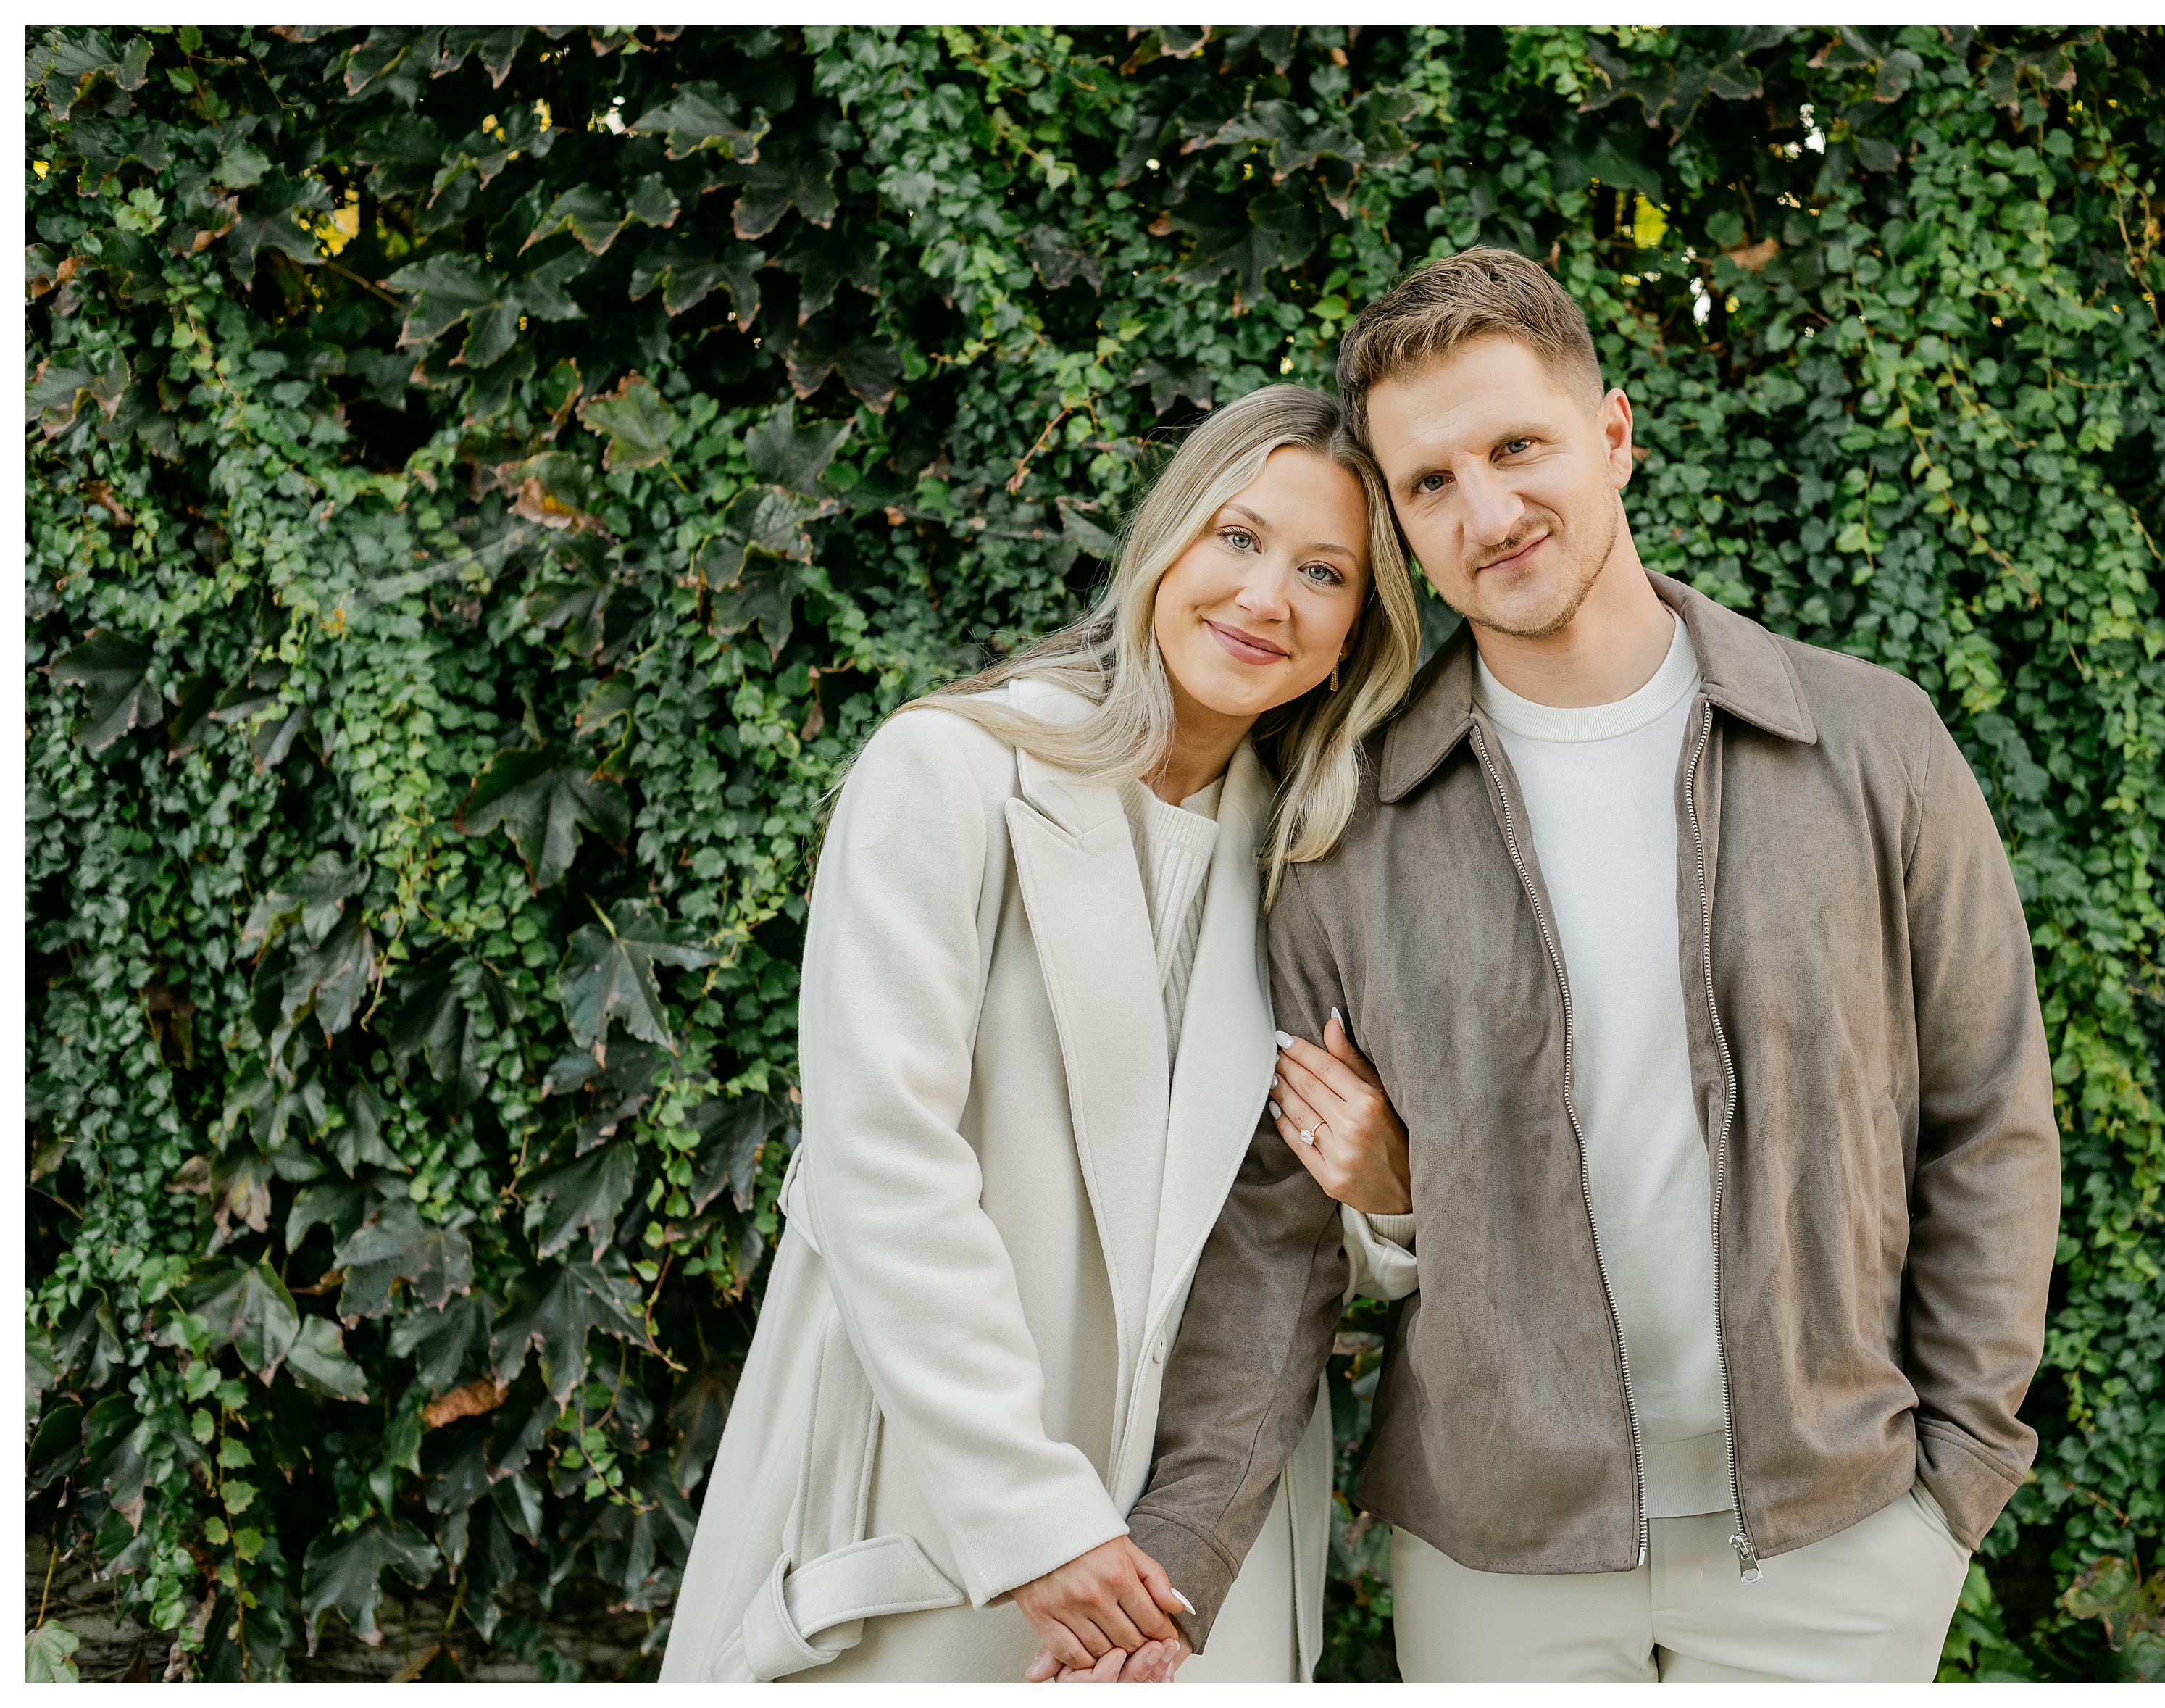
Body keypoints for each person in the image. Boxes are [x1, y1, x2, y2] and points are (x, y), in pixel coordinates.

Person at [1126, 248, 2062, 1683]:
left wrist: (1958, 1480)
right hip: (1497, 1555)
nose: (1487, 513)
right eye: (1429, 484)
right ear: (1398, 528)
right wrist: (1172, 1565)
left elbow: (1989, 1123)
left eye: (1517, 448)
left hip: (1837, 1540)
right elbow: (1274, 1240)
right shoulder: (1343, 827)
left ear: (1613, 436)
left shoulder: (1867, 743)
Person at [659, 384, 1425, 1684]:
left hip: (1196, 1568)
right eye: (1235, 539)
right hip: (931, 1507)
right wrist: (1033, 1514)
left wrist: (1392, 1192)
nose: (1264, 598)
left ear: (1357, 632)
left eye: (1322, 571)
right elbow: (879, 1164)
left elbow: (1299, 1252)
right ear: (1163, 544)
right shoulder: (951, 772)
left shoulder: (1320, 866)